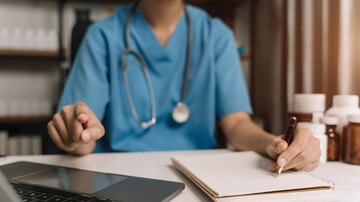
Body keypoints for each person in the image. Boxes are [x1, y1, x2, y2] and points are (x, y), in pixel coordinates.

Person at [48, 0, 321, 172]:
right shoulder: (102, 36)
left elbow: (237, 125)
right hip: (118, 174)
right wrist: (75, 135)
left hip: (199, 174)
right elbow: (83, 137)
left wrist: (275, 144)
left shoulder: (216, 36)